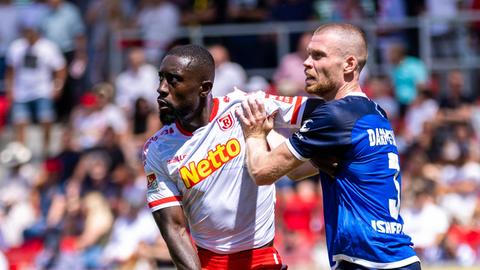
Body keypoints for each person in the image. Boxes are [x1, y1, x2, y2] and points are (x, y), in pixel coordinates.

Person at [236, 23, 421, 269]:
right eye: (308, 54)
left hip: (370, 261)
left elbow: (261, 171)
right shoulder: (372, 112)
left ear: (349, 64)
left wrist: (253, 133)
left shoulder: (336, 116)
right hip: (392, 258)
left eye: (318, 55)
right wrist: (269, 131)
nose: (306, 63)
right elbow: (294, 170)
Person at [143, 44, 312, 269]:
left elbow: (321, 111)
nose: (161, 88)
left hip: (260, 259)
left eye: (173, 80)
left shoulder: (245, 107)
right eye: (160, 78)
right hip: (206, 262)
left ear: (204, 88)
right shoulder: (156, 149)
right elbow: (174, 228)